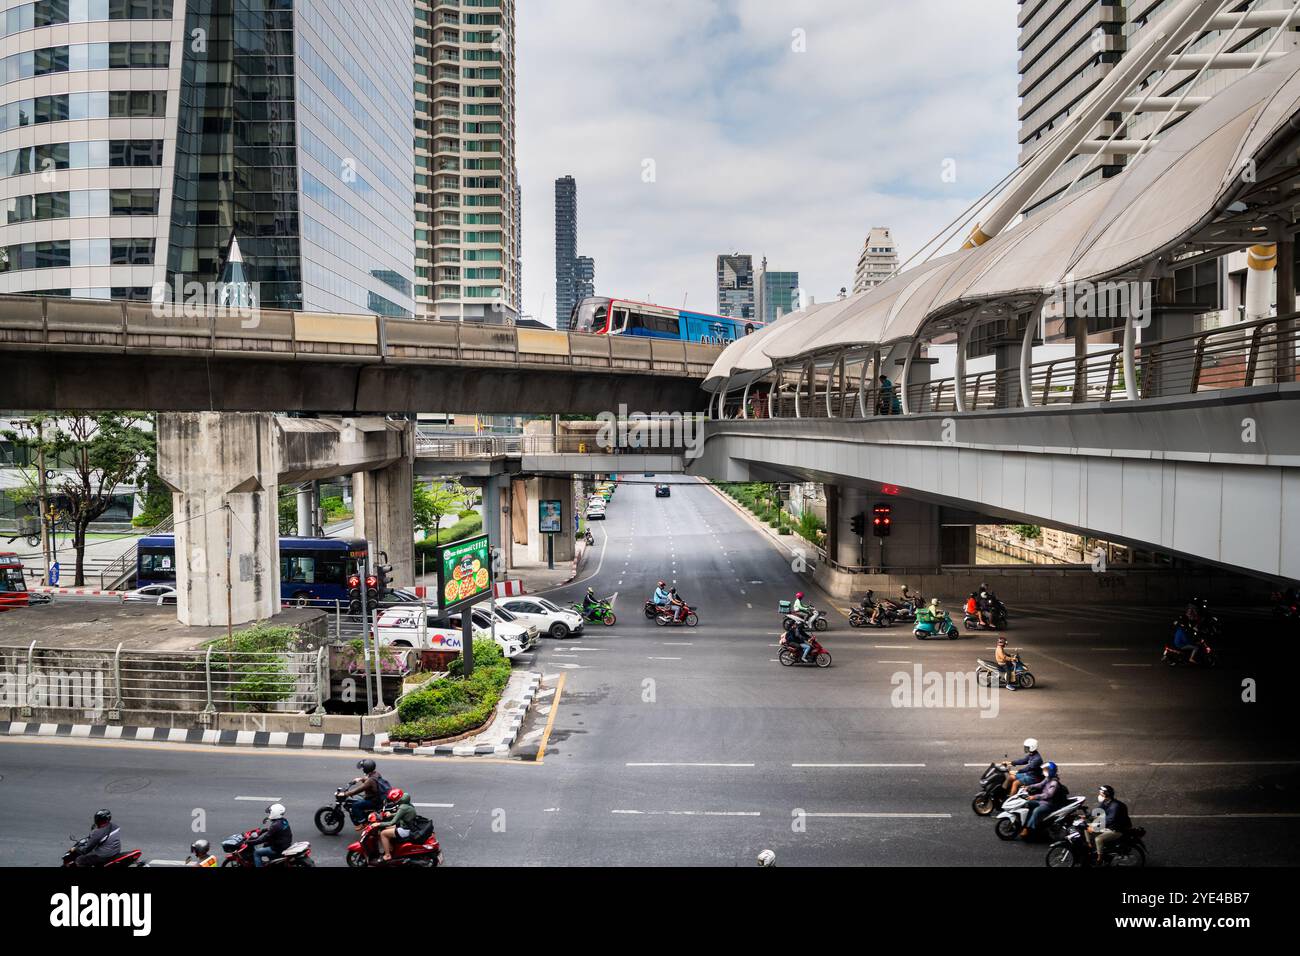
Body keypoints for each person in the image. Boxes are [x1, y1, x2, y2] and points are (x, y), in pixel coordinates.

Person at [1088, 784, 1133, 864]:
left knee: (1098, 839)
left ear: (1106, 795)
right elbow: (1097, 811)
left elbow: (1110, 820)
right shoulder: (1106, 802)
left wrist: (1095, 826)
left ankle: (1100, 858)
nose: (1099, 795)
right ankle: (1090, 846)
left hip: (1116, 829)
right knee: (1086, 827)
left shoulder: (1115, 806)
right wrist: (1086, 816)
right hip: (1110, 825)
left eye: (1101, 794)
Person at [1021, 762, 1066, 838]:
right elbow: (1040, 785)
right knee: (1027, 803)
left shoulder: (1054, 783)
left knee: (1036, 811)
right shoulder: (1048, 778)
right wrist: (1029, 787)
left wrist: (1035, 797)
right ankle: (1025, 823)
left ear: (1051, 771)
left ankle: (1028, 829)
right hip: (1042, 801)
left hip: (1048, 804)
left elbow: (1048, 795)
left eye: (1046, 770)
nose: (1044, 771)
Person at [342, 758, 390, 826]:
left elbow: (359, 789)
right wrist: (361, 779)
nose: (362, 769)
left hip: (374, 801)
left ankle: (363, 822)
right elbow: (369, 779)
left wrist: (347, 793)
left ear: (366, 769)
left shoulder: (370, 781)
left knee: (355, 806)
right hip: (377, 797)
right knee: (359, 798)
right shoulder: (376, 773)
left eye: (363, 768)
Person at [376, 788, 419, 862]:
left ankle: (387, 855)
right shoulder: (407, 804)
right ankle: (390, 848)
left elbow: (392, 822)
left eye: (393, 800)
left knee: (383, 833)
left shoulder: (402, 807)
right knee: (383, 829)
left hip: (406, 829)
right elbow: (400, 813)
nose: (393, 802)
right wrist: (391, 814)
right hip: (407, 825)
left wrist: (379, 824)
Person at [248, 803, 292, 868]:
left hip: (278, 848)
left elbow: (264, 838)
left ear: (274, 813)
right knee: (266, 844)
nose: (269, 814)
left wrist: (251, 842)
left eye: (270, 813)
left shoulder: (275, 826)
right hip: (285, 844)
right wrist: (263, 830)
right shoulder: (283, 821)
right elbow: (274, 830)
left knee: (257, 853)